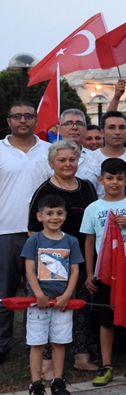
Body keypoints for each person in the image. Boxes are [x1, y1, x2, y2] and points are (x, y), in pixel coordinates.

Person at [28, 140, 98, 372]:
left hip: (83, 257)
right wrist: (45, 262)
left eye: (72, 159)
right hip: (53, 259)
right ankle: (47, 362)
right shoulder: (44, 191)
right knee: (51, 307)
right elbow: (32, 230)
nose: (68, 164)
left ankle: (81, 356)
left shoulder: (87, 187)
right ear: (51, 163)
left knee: (81, 306)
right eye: (62, 160)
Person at [81, 158, 126, 387]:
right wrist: (90, 273)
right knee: (106, 320)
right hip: (106, 273)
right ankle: (106, 365)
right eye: (109, 178)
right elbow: (89, 242)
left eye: (119, 178)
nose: (114, 182)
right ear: (101, 180)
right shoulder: (94, 208)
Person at [0, 101, 51, 364]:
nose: (23, 120)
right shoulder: (0, 150)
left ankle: (43, 347)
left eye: (28, 116)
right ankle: (2, 345)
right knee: (4, 294)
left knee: (44, 292)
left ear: (36, 119)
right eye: (17, 116)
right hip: (6, 231)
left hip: (43, 234)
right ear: (8, 120)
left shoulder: (49, 150)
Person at [22, 194, 83, 395]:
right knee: (37, 343)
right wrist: (38, 293)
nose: (54, 217)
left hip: (63, 303)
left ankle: (58, 381)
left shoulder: (71, 241)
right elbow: (29, 269)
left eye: (59, 213)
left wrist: (67, 295)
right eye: (49, 214)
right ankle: (36, 384)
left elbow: (75, 270)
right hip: (38, 302)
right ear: (39, 216)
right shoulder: (34, 240)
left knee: (60, 341)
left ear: (65, 215)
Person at [80, 112, 126, 196]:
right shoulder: (88, 159)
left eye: (122, 127)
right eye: (112, 127)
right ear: (102, 132)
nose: (117, 132)